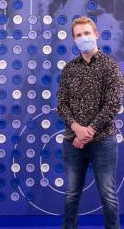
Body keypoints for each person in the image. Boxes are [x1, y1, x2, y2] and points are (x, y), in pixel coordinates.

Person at [57, 16, 124, 229]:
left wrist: (90, 131)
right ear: (74, 40)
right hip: (73, 142)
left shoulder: (110, 66)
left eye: (87, 33)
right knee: (71, 194)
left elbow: (113, 103)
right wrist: (76, 129)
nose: (83, 37)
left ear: (96, 34)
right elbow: (62, 104)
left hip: (103, 142)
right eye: (78, 35)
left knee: (108, 195)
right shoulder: (69, 69)